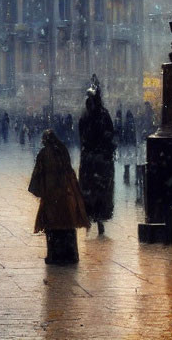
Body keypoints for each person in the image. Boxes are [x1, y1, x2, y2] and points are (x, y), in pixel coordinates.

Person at [28, 129, 90, 265]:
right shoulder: (62, 151)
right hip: (65, 195)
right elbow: (69, 171)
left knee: (52, 226)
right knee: (66, 225)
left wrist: (39, 190)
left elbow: (38, 175)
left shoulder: (44, 154)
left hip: (51, 196)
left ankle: (54, 256)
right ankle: (69, 255)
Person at [78, 75, 115, 236]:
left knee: (95, 191)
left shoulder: (92, 115)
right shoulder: (97, 115)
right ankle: (94, 219)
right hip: (96, 159)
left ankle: (94, 220)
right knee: (96, 191)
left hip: (94, 159)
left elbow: (84, 136)